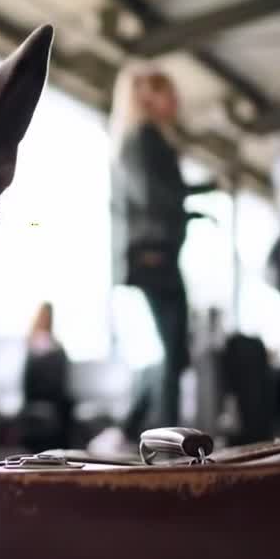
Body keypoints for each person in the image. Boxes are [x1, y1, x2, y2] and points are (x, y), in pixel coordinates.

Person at [108, 63, 219, 435]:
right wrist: (194, 204)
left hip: (154, 254)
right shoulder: (142, 139)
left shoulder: (146, 139)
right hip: (151, 255)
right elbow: (155, 195)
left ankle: (134, 428)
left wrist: (197, 201)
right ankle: (160, 437)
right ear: (147, 97)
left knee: (172, 351)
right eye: (168, 92)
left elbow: (161, 193)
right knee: (172, 352)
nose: (176, 100)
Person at [19, 302, 73, 451]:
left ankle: (62, 450)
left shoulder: (56, 345)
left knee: (68, 405)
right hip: (35, 394)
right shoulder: (29, 343)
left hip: (55, 396)